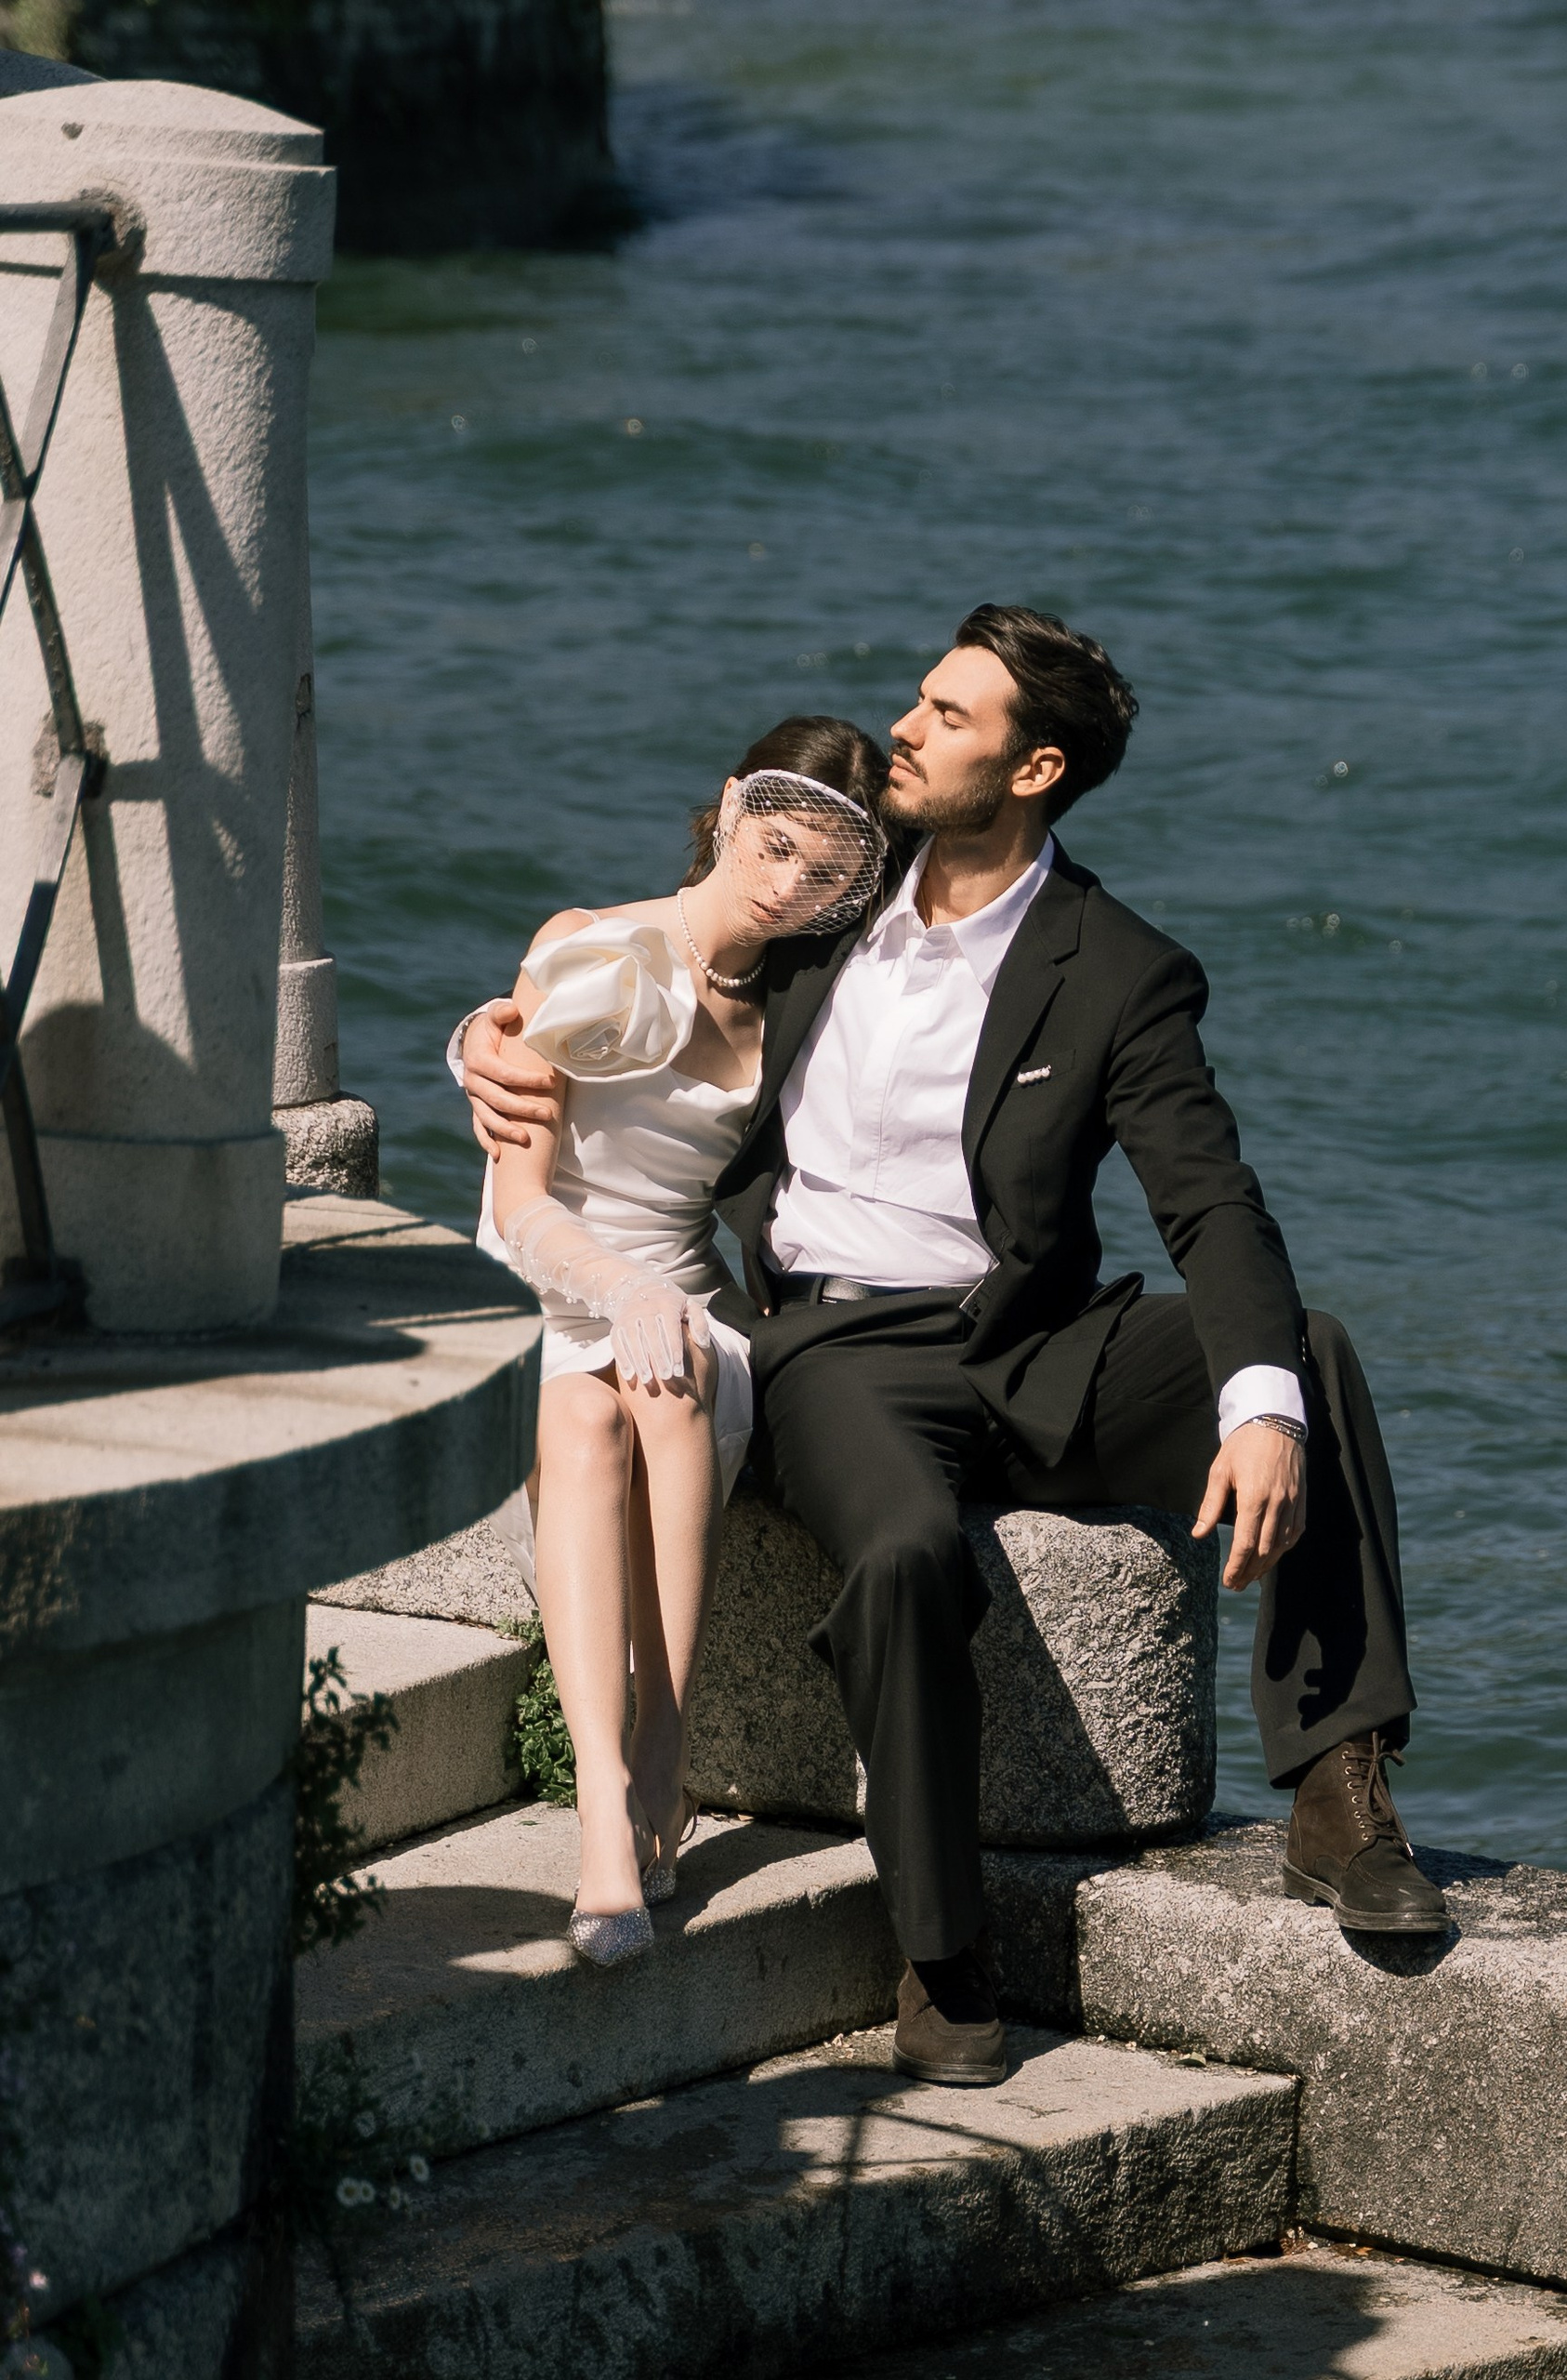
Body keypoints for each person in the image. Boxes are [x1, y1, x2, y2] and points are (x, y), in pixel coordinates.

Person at [461, 607, 1443, 2069]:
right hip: (839, 1352)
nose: (906, 728)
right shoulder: (829, 899)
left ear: (1035, 767)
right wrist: (489, 1034)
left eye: (949, 715)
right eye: (919, 699)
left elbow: (1210, 1200)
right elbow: (658, 955)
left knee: (1307, 1351)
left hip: (1038, 1335)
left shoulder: (1119, 966)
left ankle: (1339, 1783)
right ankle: (940, 1950)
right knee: (909, 1547)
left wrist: (1258, 1406)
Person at [465, 714, 891, 1965]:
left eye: (823, 874)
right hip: (548, 1278)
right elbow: (516, 1198)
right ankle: (611, 1803)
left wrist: (664, 1305)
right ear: (727, 807)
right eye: (773, 845)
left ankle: (668, 1744)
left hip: (688, 1299)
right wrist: (618, 1290)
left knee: (673, 1372)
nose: (786, 886)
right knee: (588, 1402)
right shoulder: (588, 949)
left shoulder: (804, 1008)